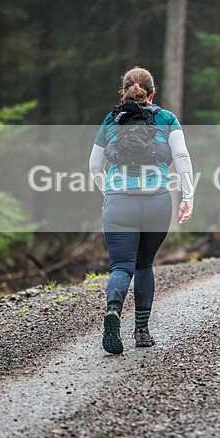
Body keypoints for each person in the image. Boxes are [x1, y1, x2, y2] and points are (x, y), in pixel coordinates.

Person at [89, 66, 194, 354]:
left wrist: (109, 192)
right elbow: (181, 156)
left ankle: (113, 312)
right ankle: (142, 330)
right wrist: (189, 196)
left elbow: (94, 167)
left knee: (121, 266)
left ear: (123, 91)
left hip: (118, 202)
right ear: (153, 92)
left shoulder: (110, 120)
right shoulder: (166, 118)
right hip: (157, 201)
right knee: (144, 264)